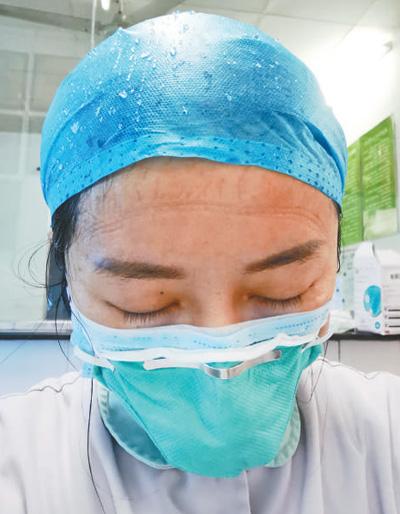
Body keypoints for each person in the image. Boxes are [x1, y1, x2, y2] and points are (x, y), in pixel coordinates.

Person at [1, 10, 399, 514]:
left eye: (284, 291)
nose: (223, 363)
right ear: (68, 276)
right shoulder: (17, 464)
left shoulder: (387, 434)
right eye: (143, 304)